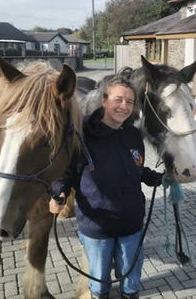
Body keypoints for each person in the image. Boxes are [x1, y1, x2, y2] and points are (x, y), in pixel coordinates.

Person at [49, 76, 166, 299]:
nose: (124, 106)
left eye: (129, 102)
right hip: (97, 227)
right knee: (100, 283)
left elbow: (138, 169)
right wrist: (59, 193)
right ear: (104, 100)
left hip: (131, 224)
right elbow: (66, 174)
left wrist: (161, 179)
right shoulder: (82, 134)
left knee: (131, 281)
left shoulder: (132, 135)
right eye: (118, 99)